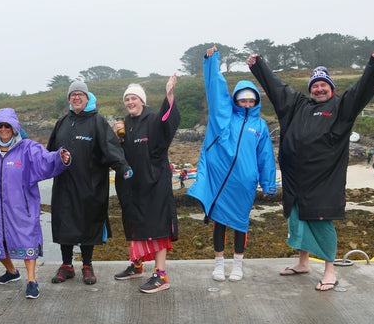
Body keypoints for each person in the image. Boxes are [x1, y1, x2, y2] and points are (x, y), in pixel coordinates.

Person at [248, 50, 374, 291]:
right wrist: (258, 66)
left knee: (322, 224)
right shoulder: (296, 105)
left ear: (331, 88)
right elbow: (277, 88)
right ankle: (303, 263)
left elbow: (362, 90)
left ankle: (330, 271)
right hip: (295, 180)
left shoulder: (342, 107)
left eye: (324, 85)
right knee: (298, 221)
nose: (319, 89)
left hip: (325, 180)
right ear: (310, 89)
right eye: (315, 85)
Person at [188, 46, 277, 283]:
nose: (246, 103)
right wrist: (210, 60)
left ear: (256, 101)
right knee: (219, 223)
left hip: (245, 182)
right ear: (236, 99)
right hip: (220, 180)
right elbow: (215, 89)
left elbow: (266, 156)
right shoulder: (224, 117)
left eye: (251, 99)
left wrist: (268, 184)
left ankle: (237, 264)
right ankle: (219, 264)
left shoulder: (260, 127)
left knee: (240, 224)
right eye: (242, 99)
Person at [47, 80, 132, 285]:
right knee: (64, 224)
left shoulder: (98, 121)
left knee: (88, 223)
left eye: (80, 94)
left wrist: (123, 168)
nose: (77, 97)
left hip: (90, 184)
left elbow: (111, 148)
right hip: (65, 184)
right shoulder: (62, 122)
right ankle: (67, 265)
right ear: (69, 99)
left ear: (87, 98)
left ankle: (87, 265)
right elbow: (48, 153)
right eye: (73, 94)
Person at [0, 108, 71, 299]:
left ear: (14, 128)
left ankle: (32, 280)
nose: (4, 129)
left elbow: (46, 159)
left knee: (27, 240)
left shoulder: (27, 148)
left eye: (8, 125)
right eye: (0, 126)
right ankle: (12, 272)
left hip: (21, 207)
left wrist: (59, 156)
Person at [112, 78, 180, 293]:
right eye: (127, 99)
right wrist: (116, 137)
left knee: (158, 228)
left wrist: (169, 95)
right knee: (135, 224)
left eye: (133, 98)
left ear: (142, 100)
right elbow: (120, 153)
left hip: (155, 184)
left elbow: (168, 121)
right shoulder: (126, 123)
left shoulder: (153, 119)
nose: (130, 102)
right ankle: (137, 265)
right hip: (134, 185)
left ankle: (161, 276)